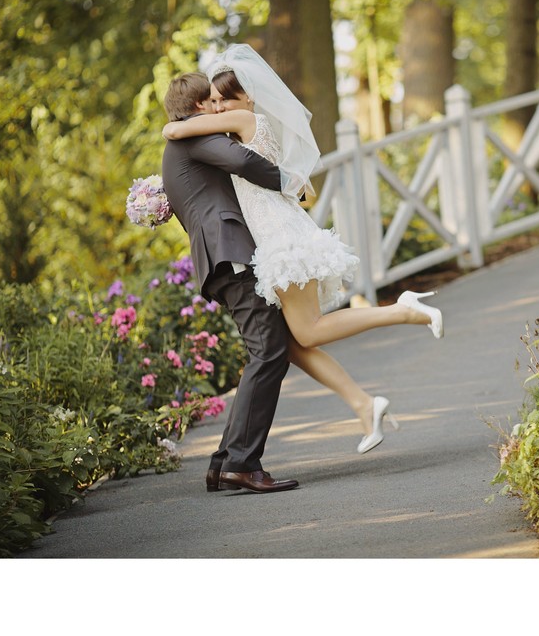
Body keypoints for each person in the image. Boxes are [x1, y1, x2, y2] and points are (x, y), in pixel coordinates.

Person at [162, 44, 444, 454]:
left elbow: (177, 131)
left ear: (248, 96)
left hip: (279, 236)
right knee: (292, 342)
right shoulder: (231, 128)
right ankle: (365, 405)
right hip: (273, 233)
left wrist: (174, 127)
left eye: (224, 99)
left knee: (307, 331)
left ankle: (404, 310)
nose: (219, 108)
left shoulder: (242, 119)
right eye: (214, 101)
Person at [161, 72, 298, 493]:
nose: (220, 109)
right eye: (213, 103)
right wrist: (289, 181)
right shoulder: (194, 138)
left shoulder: (179, 141)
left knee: (266, 348)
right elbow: (241, 161)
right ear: (200, 107)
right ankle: (242, 463)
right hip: (229, 253)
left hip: (220, 257)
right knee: (269, 350)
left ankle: (224, 462)